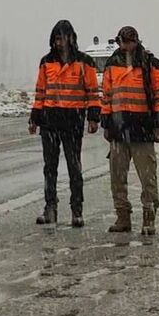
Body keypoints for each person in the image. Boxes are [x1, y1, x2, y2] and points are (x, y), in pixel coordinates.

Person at [28, 19, 100, 227]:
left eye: (64, 38)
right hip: (50, 121)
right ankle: (50, 208)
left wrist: (93, 118)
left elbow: (92, 92)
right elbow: (40, 92)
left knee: (74, 167)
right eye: (57, 38)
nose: (60, 42)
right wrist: (35, 117)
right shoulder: (46, 62)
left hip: (73, 121)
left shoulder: (84, 62)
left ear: (72, 38)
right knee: (49, 168)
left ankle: (77, 210)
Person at [99, 25, 159, 236]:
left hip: (143, 131)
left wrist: (158, 124)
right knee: (117, 179)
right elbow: (107, 96)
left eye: (130, 41)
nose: (126, 45)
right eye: (123, 41)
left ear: (137, 41)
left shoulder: (150, 63)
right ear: (119, 42)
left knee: (148, 179)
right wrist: (106, 122)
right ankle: (123, 217)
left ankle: (149, 218)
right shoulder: (112, 64)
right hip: (119, 132)